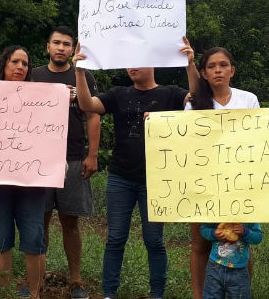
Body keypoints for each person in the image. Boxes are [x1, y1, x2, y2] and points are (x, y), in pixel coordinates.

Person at [73, 37, 197, 299]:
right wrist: (80, 71)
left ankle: (157, 294)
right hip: (121, 177)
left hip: (157, 180)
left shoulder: (171, 94)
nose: (132, 67)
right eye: (128, 63)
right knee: (116, 238)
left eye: (138, 62)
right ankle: (109, 293)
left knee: (154, 241)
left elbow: (197, 100)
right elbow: (87, 105)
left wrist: (190, 66)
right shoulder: (118, 94)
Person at [185, 47, 269, 297]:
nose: (218, 69)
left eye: (223, 65)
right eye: (211, 66)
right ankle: (200, 295)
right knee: (201, 243)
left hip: (241, 182)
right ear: (204, 73)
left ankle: (242, 292)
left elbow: (259, 136)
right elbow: (185, 141)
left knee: (240, 240)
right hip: (204, 182)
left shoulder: (248, 99)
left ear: (232, 70)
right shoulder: (193, 104)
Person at [31, 26, 100, 299]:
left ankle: (76, 280)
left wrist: (92, 155)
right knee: (40, 221)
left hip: (73, 157)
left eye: (66, 44)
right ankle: (36, 279)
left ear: (73, 50)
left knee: (71, 222)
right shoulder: (33, 75)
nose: (61, 48)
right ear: (47, 47)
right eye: (56, 43)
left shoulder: (82, 75)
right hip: (37, 158)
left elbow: (93, 115)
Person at [0, 45, 46, 299]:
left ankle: (34, 294)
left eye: (25, 63)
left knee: (34, 238)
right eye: (15, 62)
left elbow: (50, 132)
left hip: (31, 180)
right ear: (4, 65)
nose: (21, 67)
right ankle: (5, 295)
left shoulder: (41, 96)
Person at [199, 222, 262, 299]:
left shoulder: (249, 217)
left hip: (239, 272)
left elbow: (258, 237)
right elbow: (203, 229)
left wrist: (245, 232)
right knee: (211, 296)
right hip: (214, 268)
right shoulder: (218, 212)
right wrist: (214, 233)